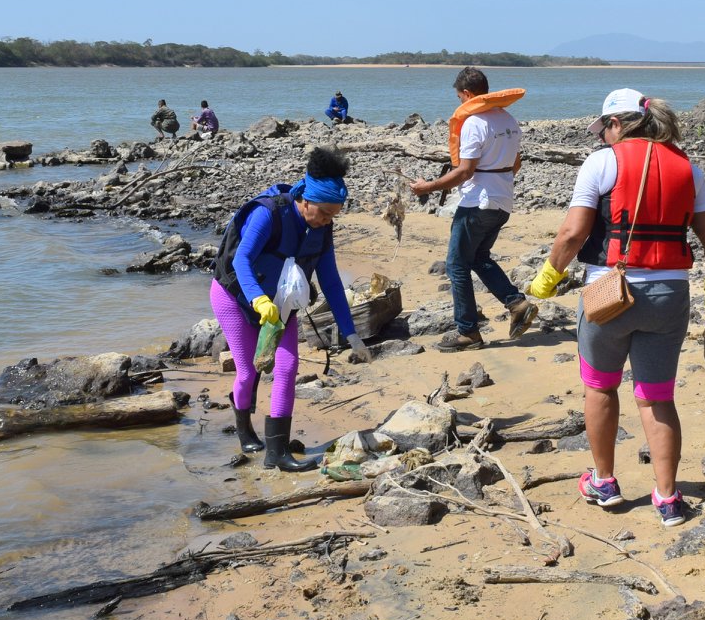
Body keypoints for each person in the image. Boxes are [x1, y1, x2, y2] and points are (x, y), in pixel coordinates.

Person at [525, 89, 705, 527]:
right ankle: (669, 499)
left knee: (600, 387)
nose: (601, 137)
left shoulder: (602, 162)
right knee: (657, 397)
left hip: (608, 292)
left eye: (602, 129)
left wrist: (547, 278)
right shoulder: (688, 167)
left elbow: (572, 234)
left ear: (617, 124)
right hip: (669, 295)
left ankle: (604, 481)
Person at [209, 147, 372, 470]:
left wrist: (351, 332)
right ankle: (245, 432)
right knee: (248, 370)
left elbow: (331, 281)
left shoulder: (322, 228)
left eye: (333, 216)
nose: (327, 221)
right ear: (306, 200)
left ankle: (277, 453)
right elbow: (242, 259)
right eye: (324, 213)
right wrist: (258, 299)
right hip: (236, 297)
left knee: (286, 367)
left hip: (282, 303)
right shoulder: (268, 214)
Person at [410, 66, 539, 351]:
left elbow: (465, 171)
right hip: (502, 201)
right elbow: (515, 164)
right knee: (479, 257)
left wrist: (427, 186)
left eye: (459, 98)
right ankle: (517, 304)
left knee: (457, 265)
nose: (460, 103)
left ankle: (468, 332)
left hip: (477, 204)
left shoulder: (473, 122)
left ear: (467, 94)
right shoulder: (508, 119)